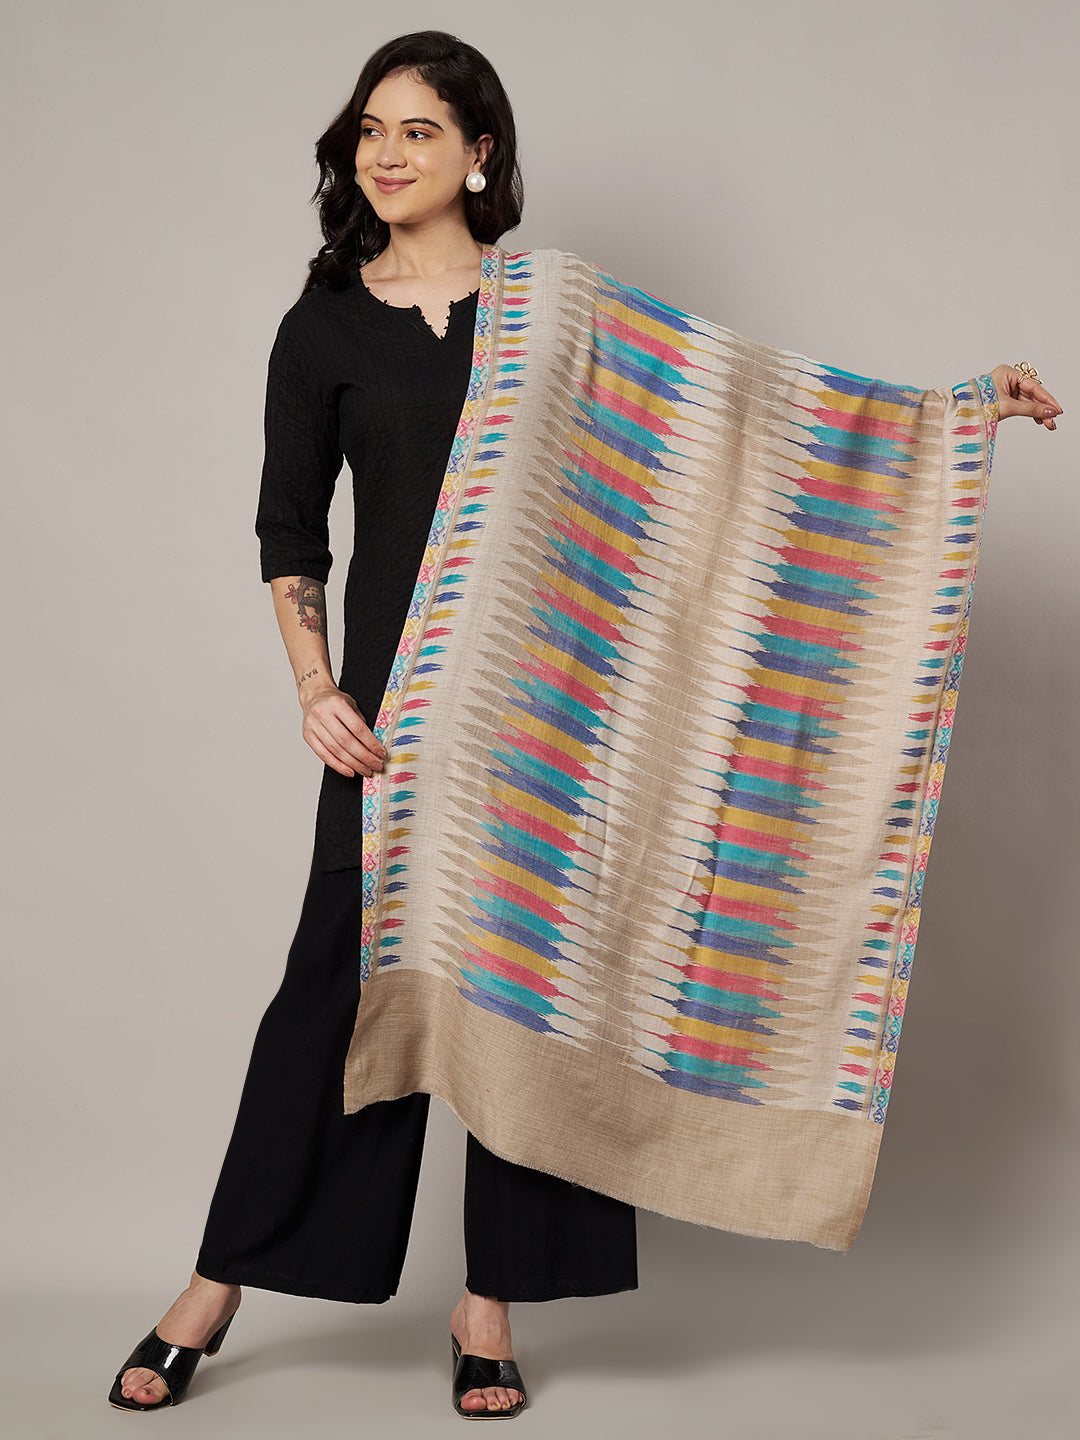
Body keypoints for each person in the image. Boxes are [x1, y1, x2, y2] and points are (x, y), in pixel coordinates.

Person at [107, 28, 1061, 1424]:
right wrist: (316, 688)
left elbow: (746, 419)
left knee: (533, 989)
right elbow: (289, 531)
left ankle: (489, 1305)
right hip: (397, 726)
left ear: (478, 152)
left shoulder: (558, 312)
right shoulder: (323, 329)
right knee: (334, 993)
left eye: (419, 130)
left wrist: (949, 414)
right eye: (371, 129)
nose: (387, 154)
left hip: (551, 719)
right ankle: (217, 1283)